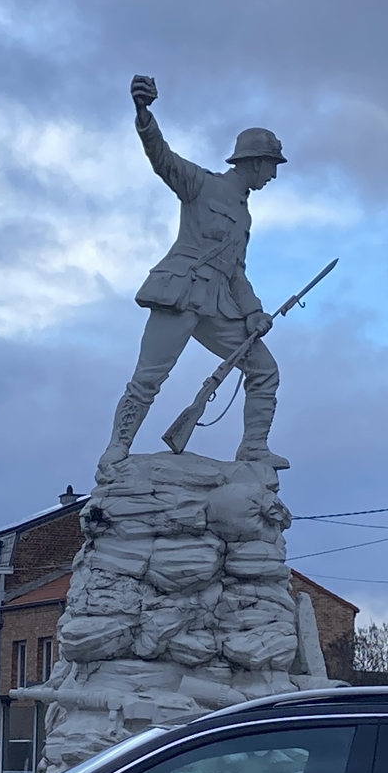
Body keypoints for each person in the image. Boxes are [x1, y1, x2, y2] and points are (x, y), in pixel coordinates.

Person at [101, 73, 287, 473]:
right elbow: (162, 158)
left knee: (264, 369)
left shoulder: (243, 214)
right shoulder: (201, 184)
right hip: (180, 293)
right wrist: (143, 113)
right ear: (255, 163)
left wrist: (254, 311)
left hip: (219, 305)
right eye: (271, 166)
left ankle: (254, 449)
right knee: (148, 378)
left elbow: (236, 271)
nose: (272, 176)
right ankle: (117, 448)